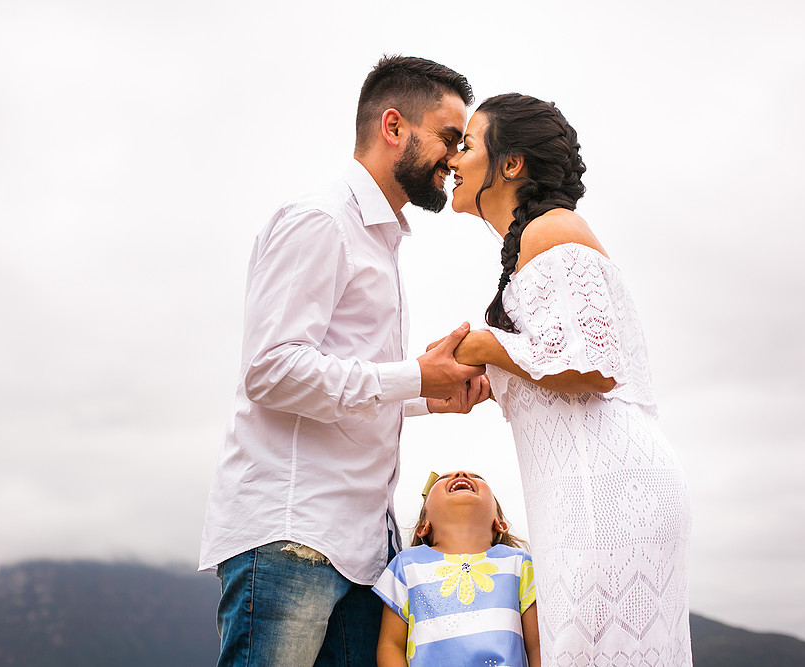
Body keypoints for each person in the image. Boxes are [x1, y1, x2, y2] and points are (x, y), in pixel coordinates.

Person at [199, 56, 491, 666]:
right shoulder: (321, 220)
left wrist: (428, 392)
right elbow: (272, 369)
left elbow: (343, 380)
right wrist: (413, 375)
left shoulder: (380, 241)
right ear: (393, 126)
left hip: (362, 551)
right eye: (447, 137)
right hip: (293, 537)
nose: (456, 157)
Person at [445, 93, 693, 665]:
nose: (455, 159)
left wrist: (487, 345)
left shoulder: (552, 229)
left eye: (468, 144)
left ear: (511, 164)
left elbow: (590, 364)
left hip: (605, 489)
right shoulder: (535, 241)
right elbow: (552, 363)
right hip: (586, 489)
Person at [374, 470, 541, 666]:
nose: (461, 474)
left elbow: (538, 646)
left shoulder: (519, 563)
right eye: (444, 478)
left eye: (477, 477)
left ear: (500, 523)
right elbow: (391, 645)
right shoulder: (406, 565)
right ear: (423, 527)